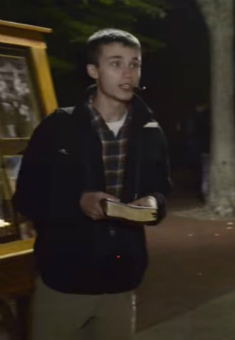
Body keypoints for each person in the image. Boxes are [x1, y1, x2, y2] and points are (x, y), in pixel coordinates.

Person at [13, 28, 172, 340]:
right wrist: (78, 203)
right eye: (116, 63)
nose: (129, 73)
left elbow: (161, 189)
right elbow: (26, 199)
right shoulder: (58, 127)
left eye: (135, 63)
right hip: (64, 280)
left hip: (121, 281)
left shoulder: (150, 130)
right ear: (93, 71)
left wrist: (155, 204)